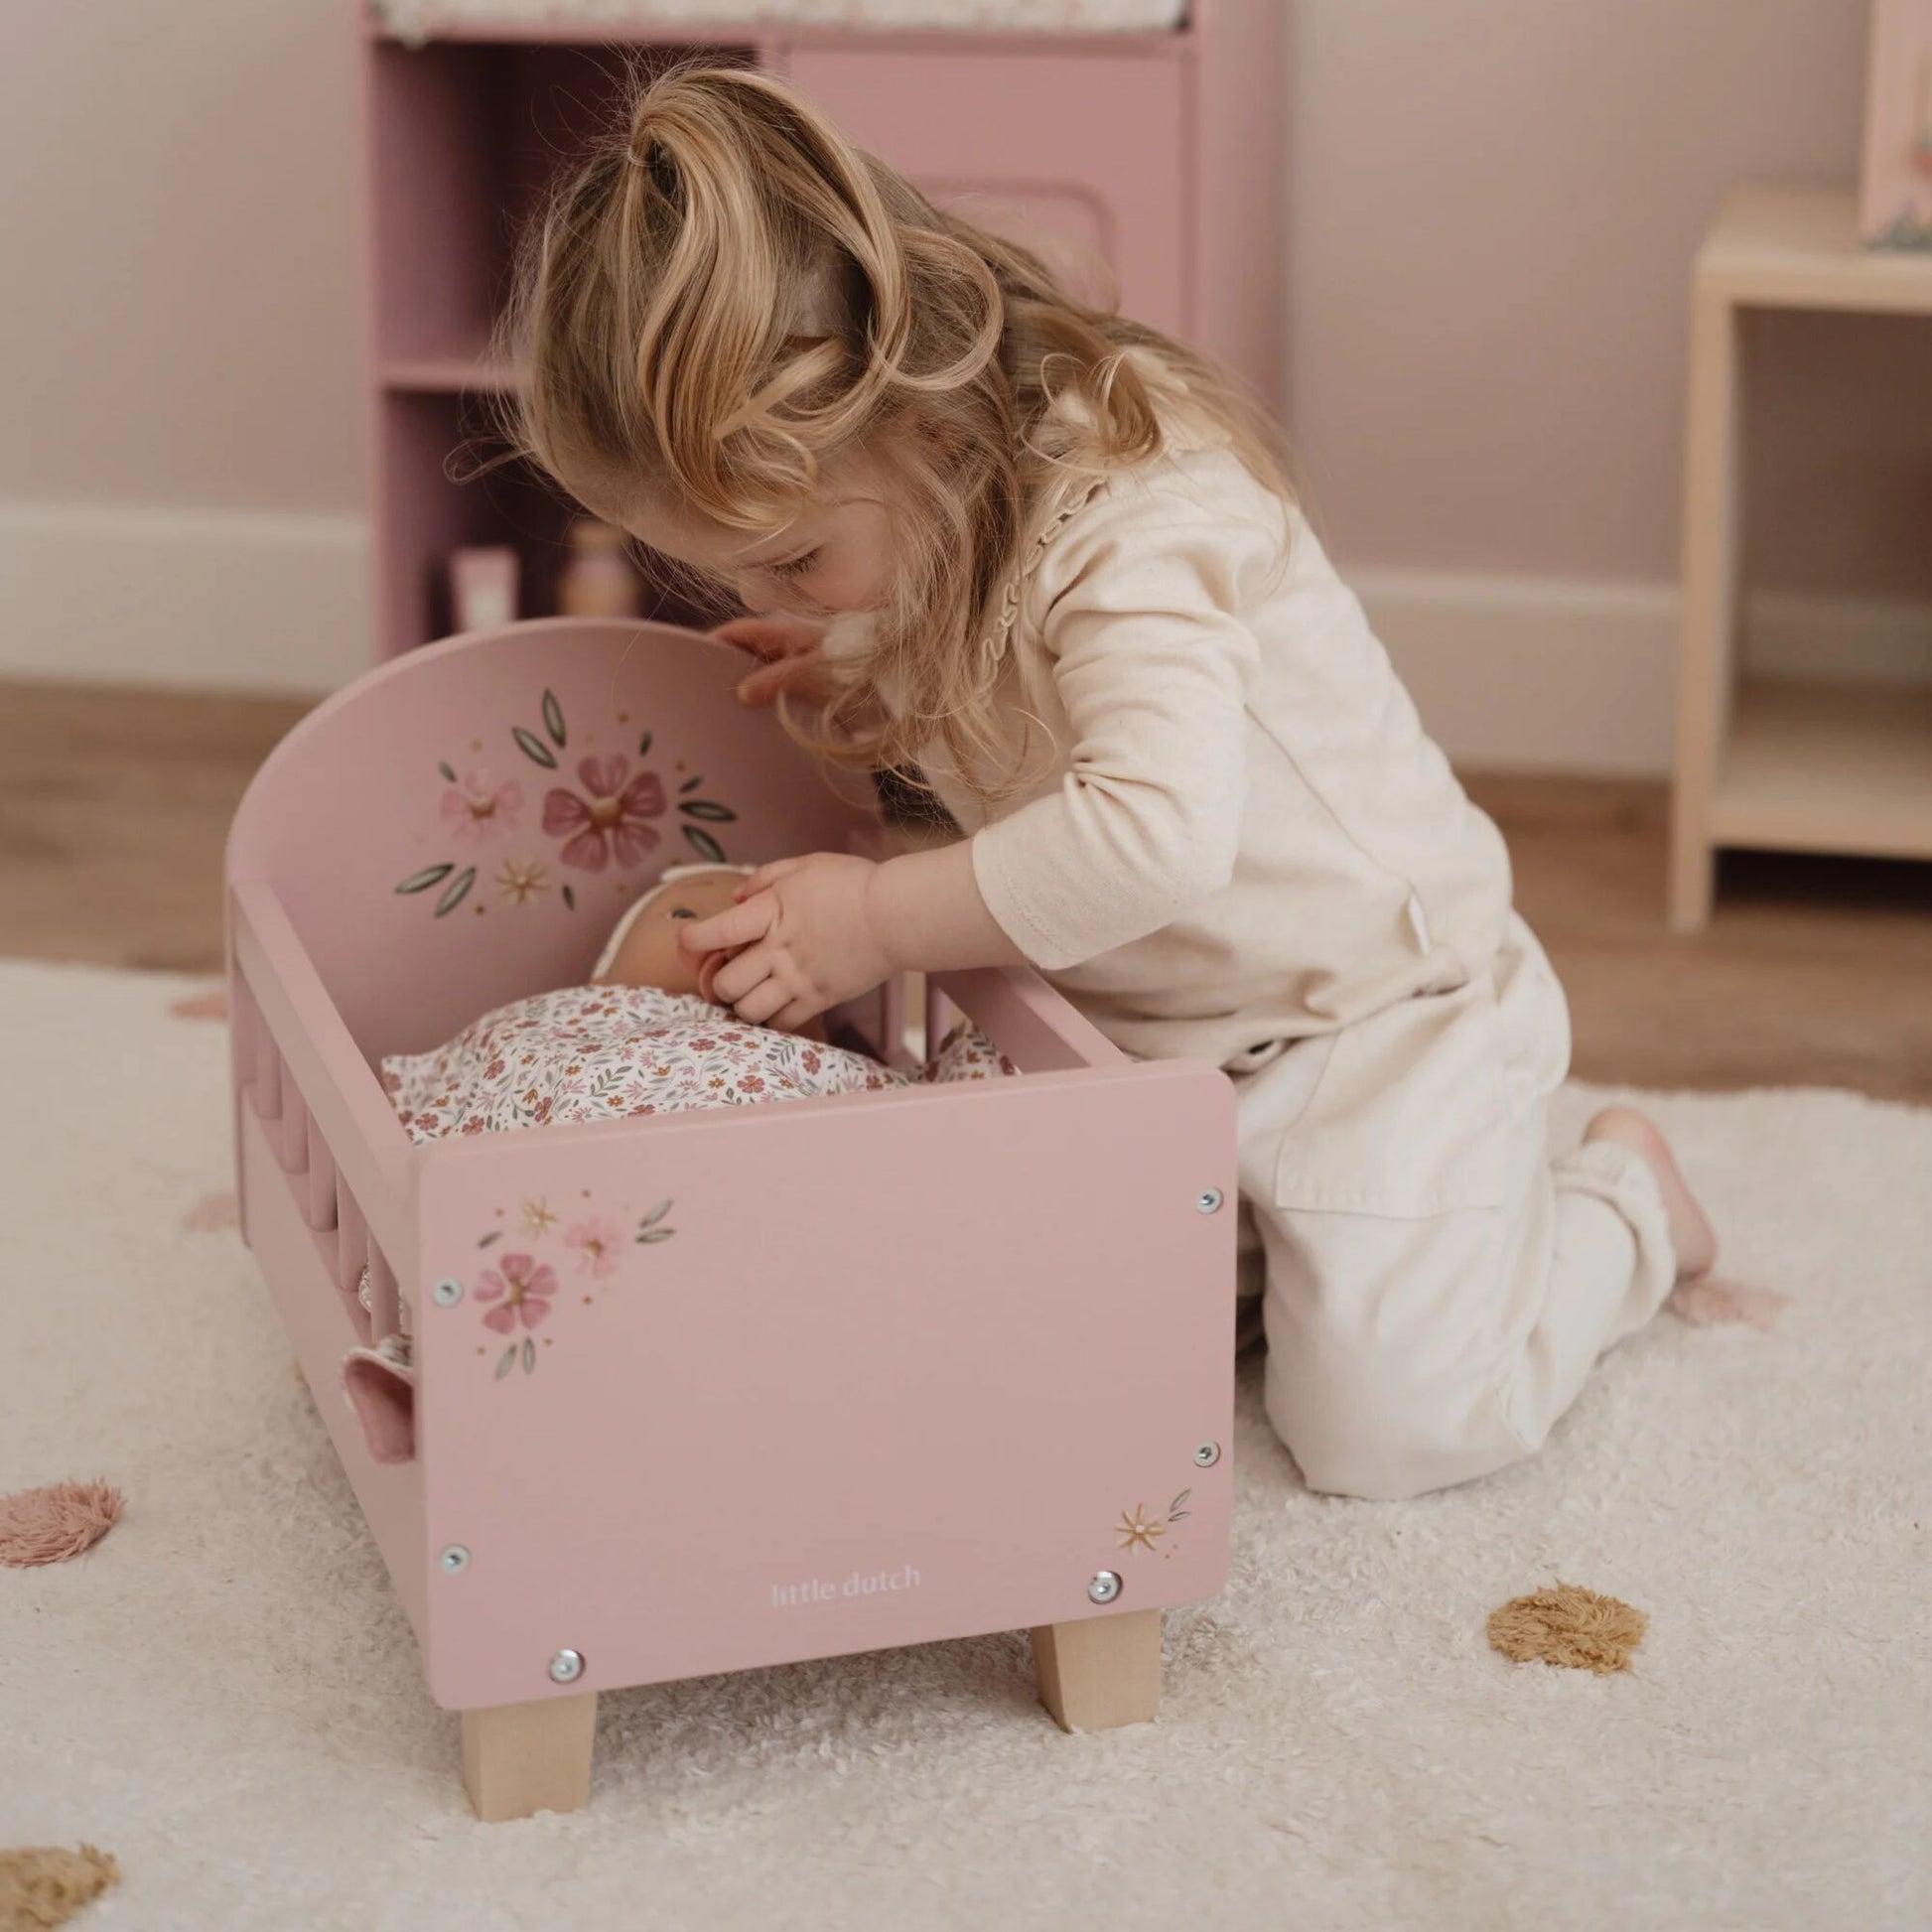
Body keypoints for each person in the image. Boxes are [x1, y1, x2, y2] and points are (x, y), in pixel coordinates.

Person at [498, 64, 1717, 1501]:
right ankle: (1286, 1255)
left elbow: (1151, 834)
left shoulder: (1144, 513)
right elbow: (1010, 672)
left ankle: (1629, 1202)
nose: (772, 594)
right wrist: (866, 644)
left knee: (1388, 1426)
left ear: (932, 431)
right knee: (1000, 1350)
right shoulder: (937, 491)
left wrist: (876, 923)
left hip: (1373, 1025)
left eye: (794, 561)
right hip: (1151, 1037)